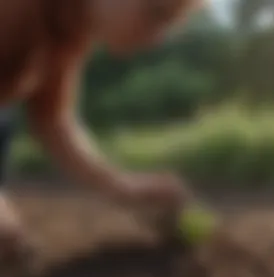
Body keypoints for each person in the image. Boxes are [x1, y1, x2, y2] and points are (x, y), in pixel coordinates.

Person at [0, 0, 202, 260]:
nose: (158, 39)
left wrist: (124, 187)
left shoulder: (67, 30)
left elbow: (51, 118)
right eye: (155, 13)